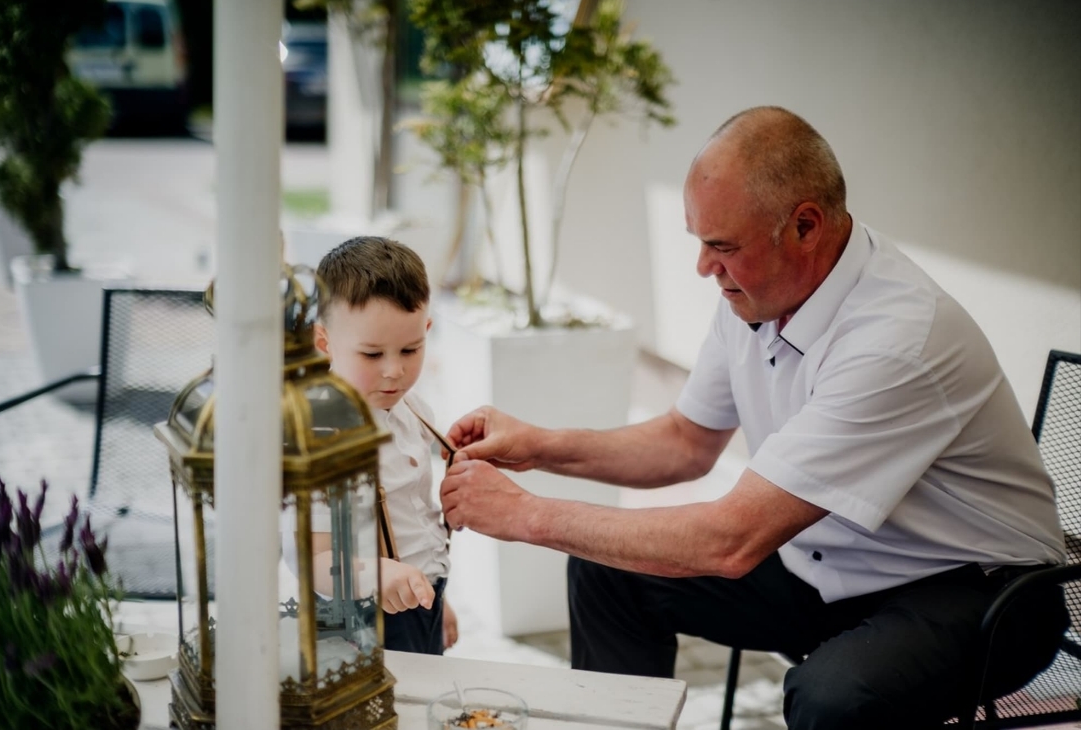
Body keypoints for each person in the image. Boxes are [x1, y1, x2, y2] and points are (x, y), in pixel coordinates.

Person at [439, 107, 1068, 728]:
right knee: (608, 569)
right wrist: (537, 446)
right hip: (827, 564)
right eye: (699, 241)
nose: (704, 267)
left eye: (722, 246)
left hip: (978, 593)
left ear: (805, 226)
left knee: (833, 698)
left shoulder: (897, 337)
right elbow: (685, 443)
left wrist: (525, 515)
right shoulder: (757, 291)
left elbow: (731, 540)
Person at [282, 236, 457, 655]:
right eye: (372, 354)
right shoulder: (323, 437)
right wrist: (377, 576)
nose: (394, 371)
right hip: (359, 621)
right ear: (325, 342)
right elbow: (312, 559)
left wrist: (436, 599)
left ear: (426, 331)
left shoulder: (414, 410)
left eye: (410, 349)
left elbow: (413, 523)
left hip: (419, 603)